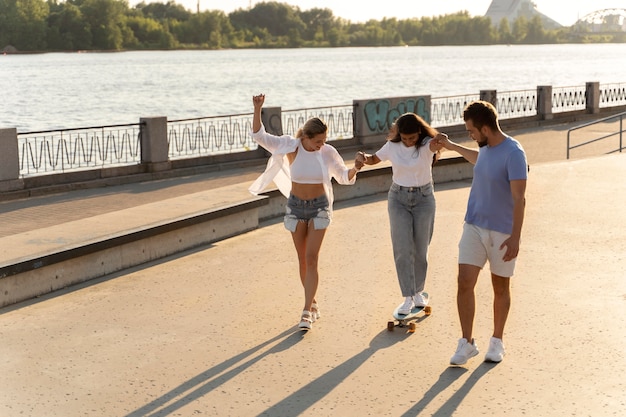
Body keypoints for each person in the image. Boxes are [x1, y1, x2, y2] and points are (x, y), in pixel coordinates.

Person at [248, 94, 364, 330]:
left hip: (320, 207)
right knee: (302, 260)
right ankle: (312, 303)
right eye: (318, 141)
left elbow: (343, 176)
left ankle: (305, 312)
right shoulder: (291, 146)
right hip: (295, 207)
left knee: (312, 259)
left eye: (324, 141)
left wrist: (356, 169)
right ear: (306, 137)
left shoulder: (328, 152)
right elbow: (260, 136)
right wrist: (258, 108)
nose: (321, 145)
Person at [437, 100, 528, 365]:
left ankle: (497, 341)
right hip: (473, 226)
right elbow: (480, 160)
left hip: (502, 233)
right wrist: (452, 146)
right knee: (464, 281)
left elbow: (520, 198)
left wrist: (515, 237)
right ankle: (466, 343)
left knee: (500, 287)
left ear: (485, 129)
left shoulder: (514, 153)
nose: (470, 135)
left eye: (471, 131)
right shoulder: (485, 148)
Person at [356, 113, 445, 315]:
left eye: (411, 138)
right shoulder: (392, 147)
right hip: (398, 199)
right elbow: (373, 159)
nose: (408, 142)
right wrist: (362, 157)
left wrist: (441, 140)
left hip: (424, 199)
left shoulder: (426, 145)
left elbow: (438, 145)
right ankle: (408, 296)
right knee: (402, 249)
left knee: (421, 249)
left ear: (419, 133)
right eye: (404, 138)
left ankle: (418, 292)